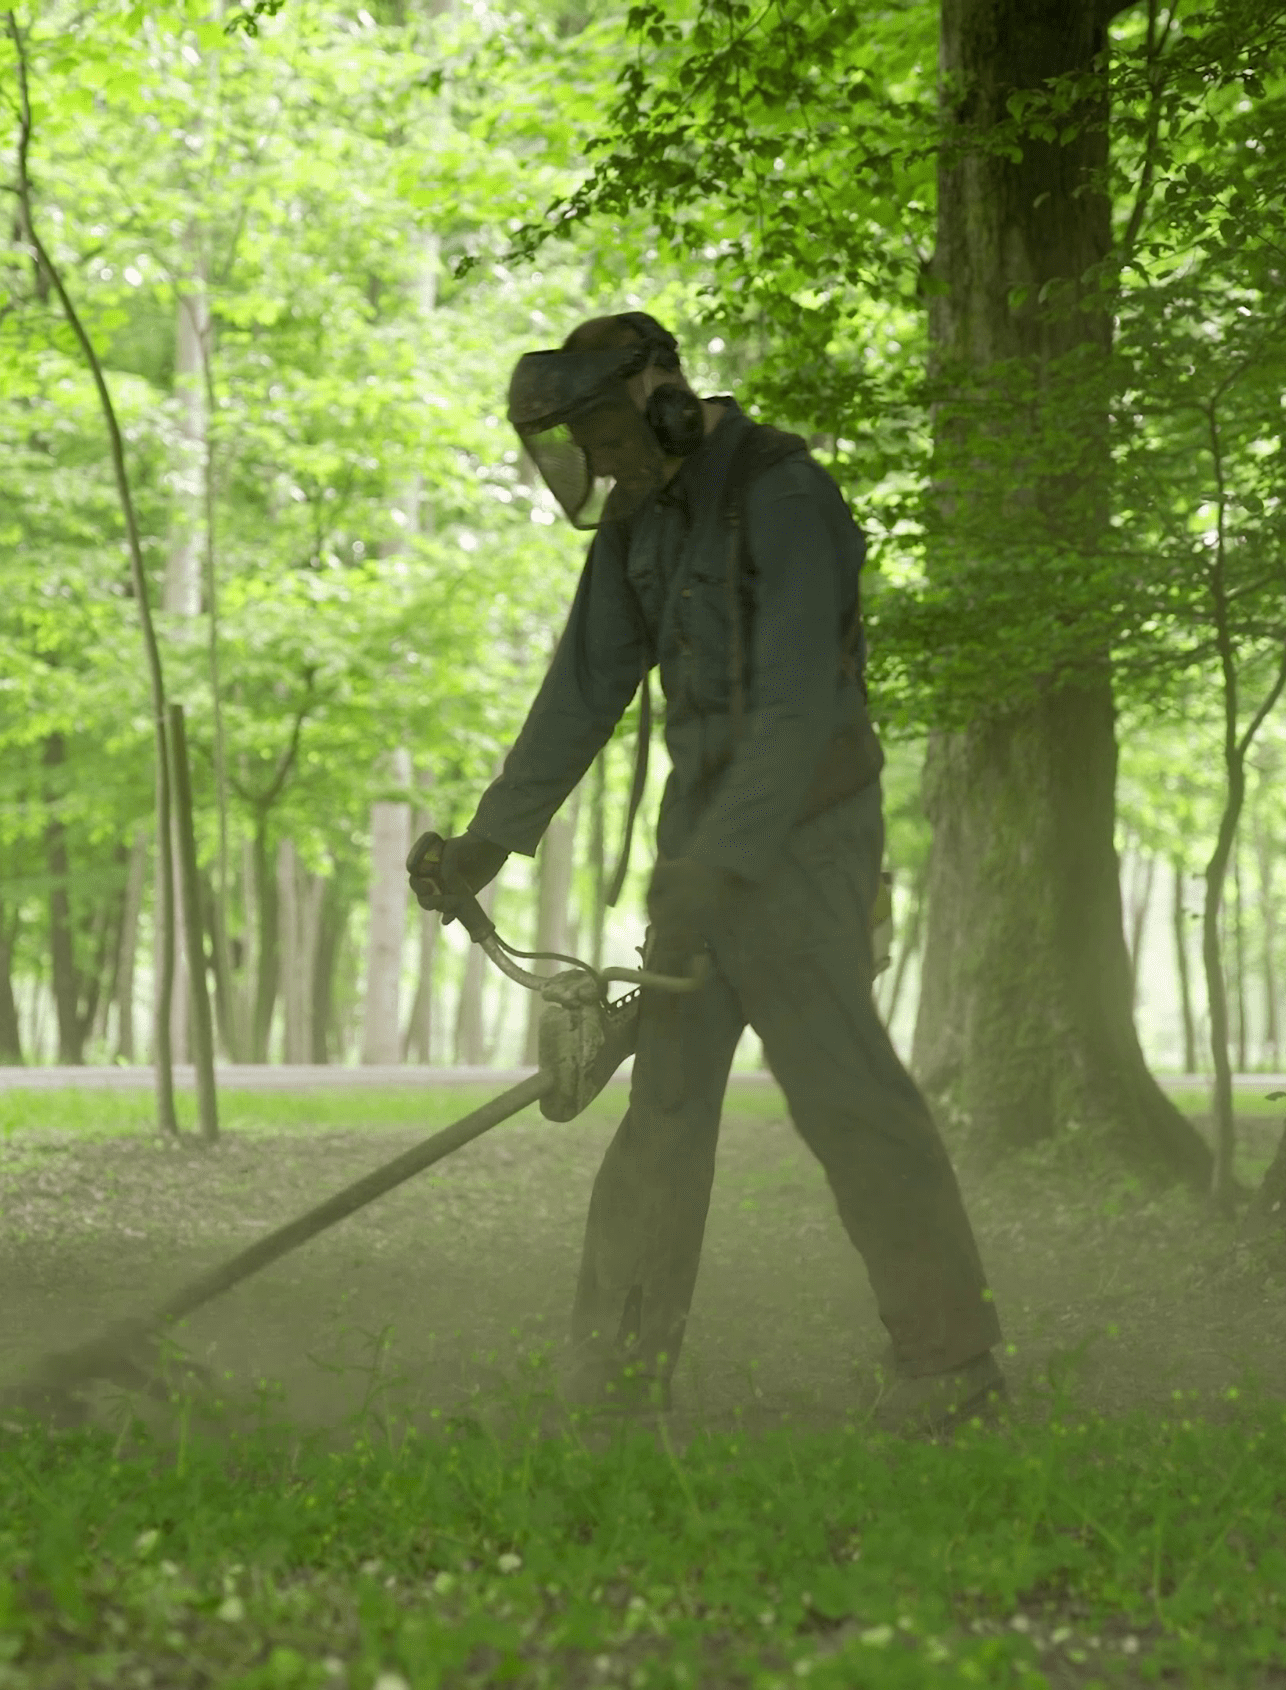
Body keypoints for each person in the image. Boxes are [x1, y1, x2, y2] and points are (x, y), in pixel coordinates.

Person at [406, 311, 1005, 1434]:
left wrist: (721, 863)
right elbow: (583, 688)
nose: (597, 467)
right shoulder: (637, 525)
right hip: (702, 853)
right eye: (573, 450)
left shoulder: (781, 495)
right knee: (665, 1109)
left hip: (810, 845)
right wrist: (483, 845)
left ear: (661, 395)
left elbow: (796, 706)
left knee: (843, 1093)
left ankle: (952, 1366)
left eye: (601, 435)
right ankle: (617, 1383)